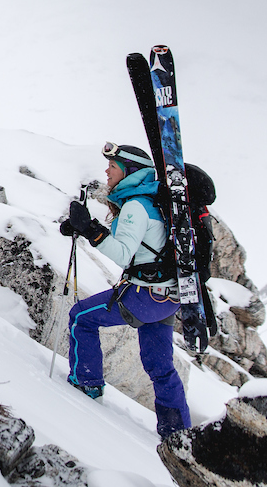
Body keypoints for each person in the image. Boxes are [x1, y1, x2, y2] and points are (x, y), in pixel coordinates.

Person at [60, 142, 193, 439]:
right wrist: (84, 228)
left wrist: (92, 230)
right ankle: (177, 431)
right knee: (160, 366)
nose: (107, 171)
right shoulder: (151, 202)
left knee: (82, 317)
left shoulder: (135, 206)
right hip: (167, 298)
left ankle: (87, 383)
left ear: (129, 171)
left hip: (144, 297)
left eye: (113, 166)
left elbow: (122, 254)